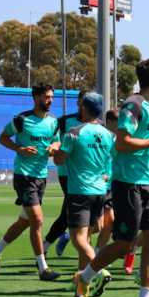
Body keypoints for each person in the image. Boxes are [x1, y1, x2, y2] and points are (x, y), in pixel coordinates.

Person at [73, 56, 149, 297]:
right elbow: (122, 143)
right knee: (125, 245)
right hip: (128, 185)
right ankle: (84, 278)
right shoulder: (133, 104)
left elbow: (147, 143)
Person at [0, 82, 61, 281]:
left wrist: (55, 145)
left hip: (41, 176)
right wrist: (20, 149)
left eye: (52, 97)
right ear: (36, 98)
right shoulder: (21, 119)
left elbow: (58, 139)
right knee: (37, 219)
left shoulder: (54, 121)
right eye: (47, 97)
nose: (50, 100)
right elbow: (3, 138)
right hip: (24, 175)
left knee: (25, 221)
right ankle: (42, 268)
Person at [53, 92, 115, 297]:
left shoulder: (74, 132)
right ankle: (82, 288)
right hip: (100, 191)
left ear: (83, 109)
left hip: (79, 191)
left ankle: (99, 271)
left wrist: (57, 149)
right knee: (86, 238)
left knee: (79, 239)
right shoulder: (108, 134)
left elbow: (59, 159)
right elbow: (113, 156)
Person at [43, 89, 91, 257]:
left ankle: (60, 240)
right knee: (71, 212)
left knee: (72, 213)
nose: (86, 104)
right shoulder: (64, 121)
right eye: (84, 100)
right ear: (78, 103)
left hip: (91, 176)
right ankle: (88, 259)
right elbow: (53, 138)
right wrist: (54, 147)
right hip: (67, 172)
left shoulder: (98, 124)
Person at [93, 109, 119, 252]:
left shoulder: (117, 139)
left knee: (110, 224)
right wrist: (101, 174)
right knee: (97, 226)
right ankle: (70, 236)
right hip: (96, 184)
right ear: (109, 122)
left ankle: (97, 255)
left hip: (110, 186)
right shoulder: (99, 136)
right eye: (119, 122)